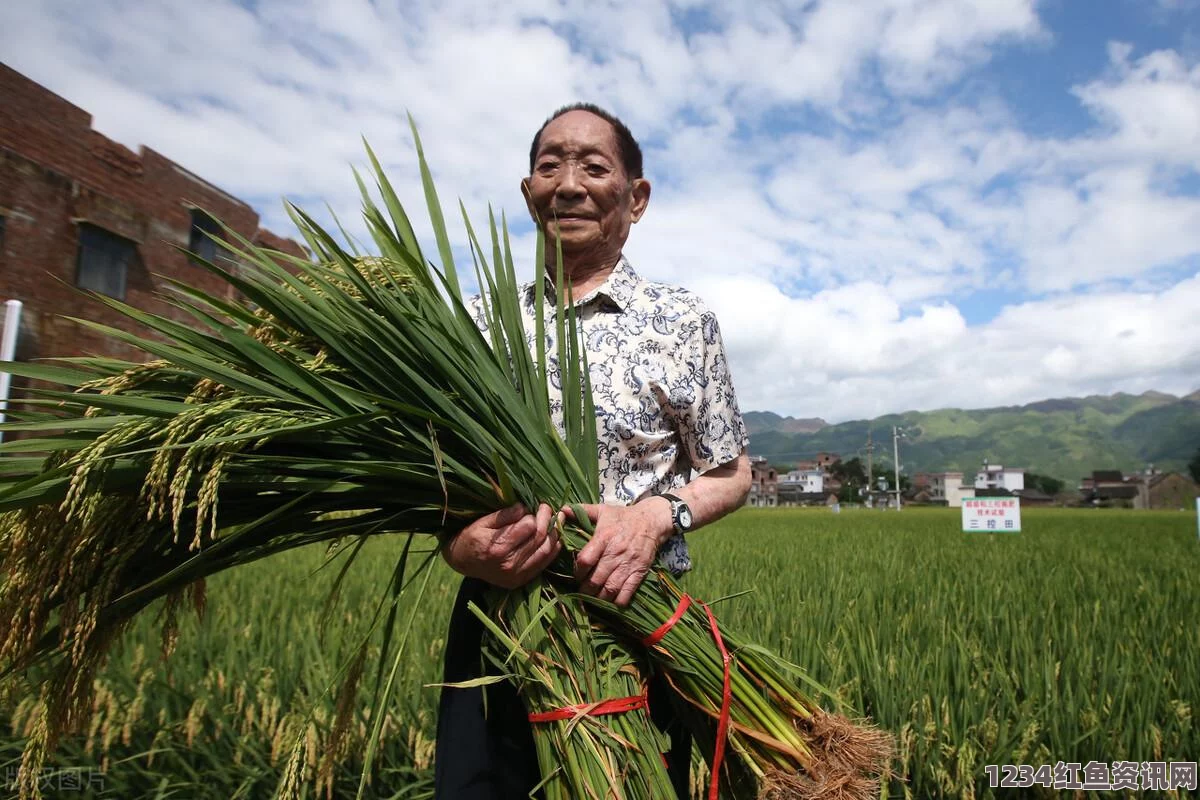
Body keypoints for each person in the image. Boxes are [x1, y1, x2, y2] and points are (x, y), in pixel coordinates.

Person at [434, 103, 751, 799]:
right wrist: (462, 549)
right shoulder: (478, 324)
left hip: (635, 625)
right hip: (500, 626)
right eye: (549, 165)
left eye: (593, 166)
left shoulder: (680, 321)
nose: (568, 183)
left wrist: (656, 518)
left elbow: (729, 473)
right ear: (528, 192)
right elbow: (437, 489)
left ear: (636, 198)